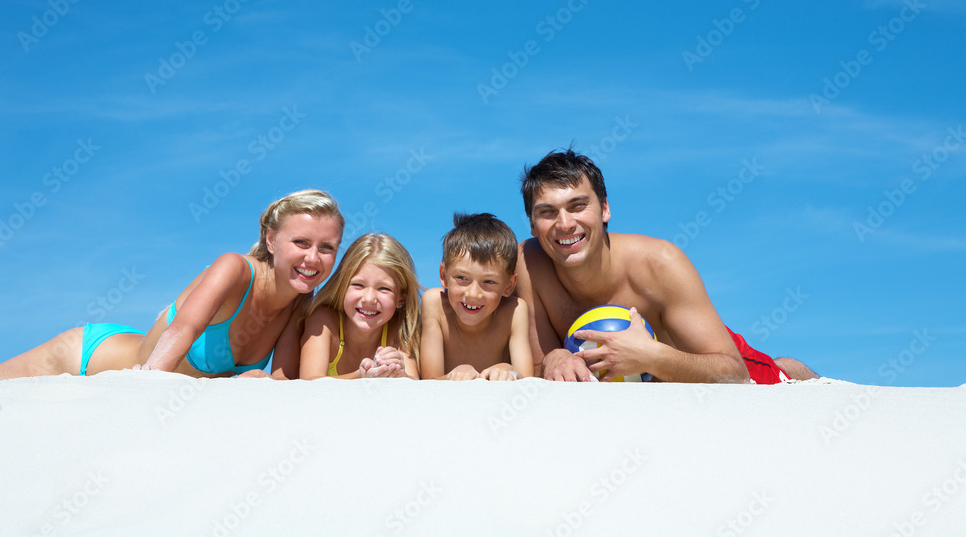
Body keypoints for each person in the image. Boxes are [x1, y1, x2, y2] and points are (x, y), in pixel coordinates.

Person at [514, 149, 819, 384]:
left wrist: (651, 357)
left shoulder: (660, 263)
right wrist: (554, 359)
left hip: (698, 361)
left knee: (779, 380)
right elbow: (536, 366)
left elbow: (734, 373)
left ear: (604, 209)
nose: (565, 224)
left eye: (578, 206)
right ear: (532, 224)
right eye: (548, 212)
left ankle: (791, 368)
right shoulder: (529, 265)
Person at [0, 190, 345, 380]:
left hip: (134, 349)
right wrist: (148, 385)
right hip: (83, 358)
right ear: (270, 239)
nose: (313, 258)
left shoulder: (299, 303)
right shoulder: (234, 270)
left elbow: (281, 383)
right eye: (301, 243)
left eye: (326, 248)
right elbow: (179, 335)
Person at [420, 213, 533, 381]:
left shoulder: (515, 311)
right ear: (443, 275)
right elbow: (428, 382)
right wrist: (455, 374)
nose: (473, 294)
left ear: (509, 285)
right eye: (462, 278)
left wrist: (509, 370)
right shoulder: (435, 305)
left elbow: (527, 380)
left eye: (488, 281)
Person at [299, 233, 421, 379]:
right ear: (342, 286)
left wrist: (400, 374)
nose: (369, 299)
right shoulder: (324, 321)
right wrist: (362, 376)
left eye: (384, 288)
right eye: (358, 285)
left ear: (402, 298)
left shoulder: (399, 330)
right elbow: (310, 383)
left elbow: (412, 383)